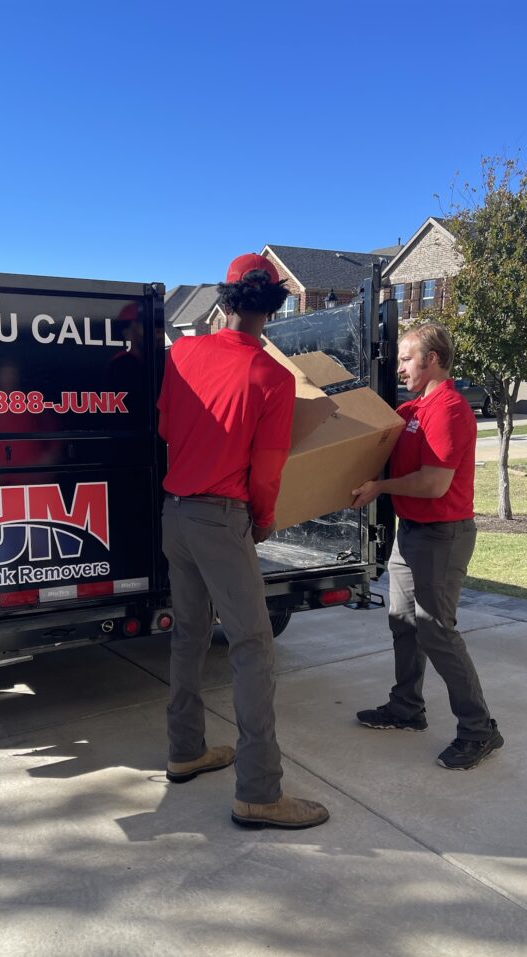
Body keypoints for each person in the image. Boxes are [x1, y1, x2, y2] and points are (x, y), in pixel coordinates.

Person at [157, 253, 330, 829]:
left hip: (174, 514)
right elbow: (268, 466)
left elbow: (164, 426)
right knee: (253, 648)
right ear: (274, 307)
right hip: (221, 517)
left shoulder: (181, 353)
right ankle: (258, 791)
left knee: (187, 634)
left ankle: (185, 750)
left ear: (224, 299)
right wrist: (263, 519)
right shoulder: (273, 377)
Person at [351, 322, 503, 770]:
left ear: (431, 359)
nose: (399, 367)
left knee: (437, 630)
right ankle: (406, 709)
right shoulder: (416, 408)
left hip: (443, 534)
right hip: (411, 532)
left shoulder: (451, 408)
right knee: (402, 622)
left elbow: (435, 483)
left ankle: (479, 730)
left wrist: (380, 487)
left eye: (405, 358)